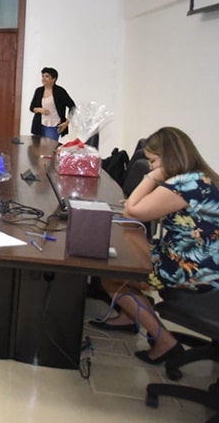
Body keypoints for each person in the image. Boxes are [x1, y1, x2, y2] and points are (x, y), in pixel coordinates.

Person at [93, 127, 219, 365]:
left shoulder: (185, 182)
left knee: (112, 274)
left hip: (194, 270)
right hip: (206, 263)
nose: (150, 166)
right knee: (123, 260)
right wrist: (143, 201)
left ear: (169, 157)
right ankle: (129, 316)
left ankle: (165, 341)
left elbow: (132, 212)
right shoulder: (199, 177)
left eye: (153, 161)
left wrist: (151, 178)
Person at [29, 67, 76, 141]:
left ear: (54, 79)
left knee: (49, 149)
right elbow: (32, 107)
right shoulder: (39, 91)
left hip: (54, 126)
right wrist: (39, 110)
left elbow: (72, 106)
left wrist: (67, 122)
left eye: (47, 76)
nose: (44, 78)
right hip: (39, 125)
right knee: (37, 150)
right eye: (43, 76)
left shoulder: (59, 91)